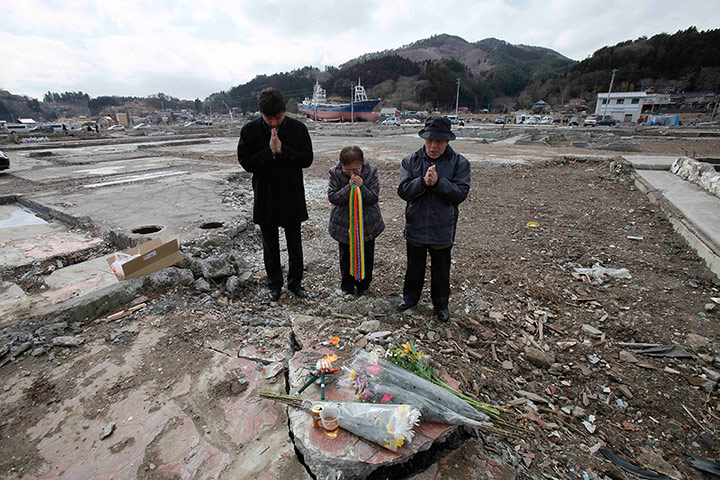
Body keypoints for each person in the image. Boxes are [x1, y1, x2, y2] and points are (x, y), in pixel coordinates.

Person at [238, 87, 313, 301]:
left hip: (291, 195)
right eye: (269, 119)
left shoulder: (298, 129)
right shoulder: (249, 131)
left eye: (278, 118)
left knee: (294, 244)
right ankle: (274, 285)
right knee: (270, 246)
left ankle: (295, 284)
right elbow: (246, 163)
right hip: (266, 196)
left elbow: (307, 159)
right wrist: (268, 152)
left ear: (284, 111)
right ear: (261, 113)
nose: (273, 123)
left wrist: (283, 150)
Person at [397, 116, 471, 322]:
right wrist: (423, 182)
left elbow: (460, 194)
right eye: (429, 140)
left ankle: (440, 304)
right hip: (416, 224)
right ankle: (410, 298)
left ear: (447, 141)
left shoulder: (459, 162)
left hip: (442, 227)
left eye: (439, 141)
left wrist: (439, 184)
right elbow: (403, 191)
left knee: (441, 269)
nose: (433, 145)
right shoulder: (411, 160)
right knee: (414, 266)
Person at [328, 146, 384, 296]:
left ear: (362, 164)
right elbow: (333, 197)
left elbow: (373, 198)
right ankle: (347, 286)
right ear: (341, 165)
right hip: (345, 225)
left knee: (367, 255)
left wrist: (362, 187)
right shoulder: (335, 172)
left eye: (356, 170)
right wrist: (349, 187)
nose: (352, 174)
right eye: (348, 171)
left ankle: (363, 286)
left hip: (367, 224)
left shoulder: (371, 171)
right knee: (346, 256)